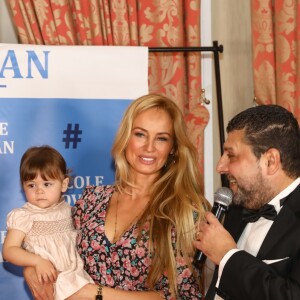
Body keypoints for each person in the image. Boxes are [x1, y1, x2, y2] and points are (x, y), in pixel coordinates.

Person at [23, 94, 210, 300]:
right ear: (126, 137)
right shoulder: (91, 199)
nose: (149, 147)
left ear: (173, 148)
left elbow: (182, 295)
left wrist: (95, 294)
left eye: (161, 138)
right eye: (140, 134)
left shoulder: (187, 211)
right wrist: (31, 267)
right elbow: (56, 246)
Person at [194, 104, 300, 300]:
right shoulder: (237, 207)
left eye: (231, 155)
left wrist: (227, 256)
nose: (220, 166)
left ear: (270, 161)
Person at [2, 145, 94, 299]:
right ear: (23, 186)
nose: (39, 191)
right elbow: (9, 250)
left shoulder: (68, 210)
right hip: (48, 280)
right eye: (31, 185)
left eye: (47, 184)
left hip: (76, 275)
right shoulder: (24, 216)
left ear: (63, 185)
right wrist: (37, 262)